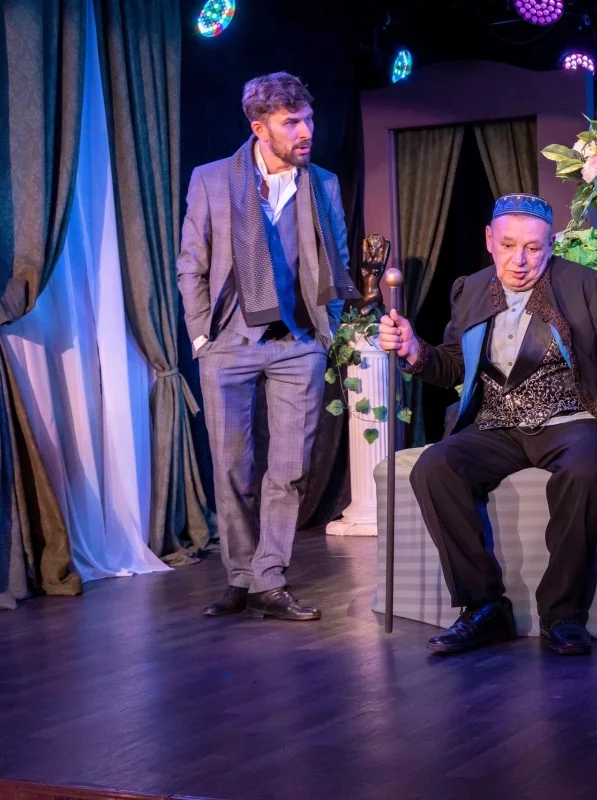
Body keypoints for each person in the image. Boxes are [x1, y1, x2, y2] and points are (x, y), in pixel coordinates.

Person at [377, 193, 597, 655]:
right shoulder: (471, 289)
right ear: (489, 240)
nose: (519, 260)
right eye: (508, 246)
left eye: (533, 248)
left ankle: (563, 614)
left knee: (585, 469)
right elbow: (453, 366)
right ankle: (483, 607)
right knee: (434, 468)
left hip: (574, 418)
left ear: (551, 244)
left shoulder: (589, 285)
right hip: (497, 422)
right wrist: (414, 351)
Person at [177, 72, 358, 620]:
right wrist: (201, 335)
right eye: (291, 122)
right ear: (260, 128)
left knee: (289, 469)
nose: (306, 131)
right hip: (228, 341)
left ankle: (270, 577)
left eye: (309, 119)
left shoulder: (322, 183)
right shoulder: (212, 179)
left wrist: (327, 331)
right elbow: (192, 263)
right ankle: (239, 575)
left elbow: (338, 260)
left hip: (298, 343)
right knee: (232, 466)